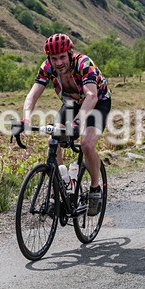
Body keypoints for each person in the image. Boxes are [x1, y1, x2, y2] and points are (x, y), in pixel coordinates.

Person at [21, 33, 111, 215]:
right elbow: (33, 94)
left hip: (98, 103)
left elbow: (91, 96)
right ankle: (60, 187)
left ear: (70, 54)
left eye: (62, 57)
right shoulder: (47, 68)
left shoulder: (83, 63)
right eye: (54, 58)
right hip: (71, 104)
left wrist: (77, 123)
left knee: (87, 144)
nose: (59, 62)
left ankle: (95, 189)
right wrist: (26, 119)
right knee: (53, 140)